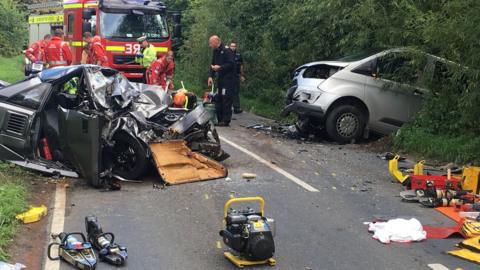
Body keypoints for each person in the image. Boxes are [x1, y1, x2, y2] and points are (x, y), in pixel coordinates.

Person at [207, 35, 235, 127]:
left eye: (211, 43)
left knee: (226, 98)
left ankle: (226, 120)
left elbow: (231, 64)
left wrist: (220, 68)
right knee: (218, 98)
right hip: (220, 78)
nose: (210, 45)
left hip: (228, 79)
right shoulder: (215, 51)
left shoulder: (227, 51)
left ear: (216, 41)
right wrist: (210, 76)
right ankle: (219, 119)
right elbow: (213, 64)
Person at [229, 41, 245, 114]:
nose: (233, 47)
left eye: (234, 46)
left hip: (236, 75)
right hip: (228, 76)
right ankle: (228, 107)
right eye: (232, 46)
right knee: (228, 91)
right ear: (229, 47)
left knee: (236, 91)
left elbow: (241, 66)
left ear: (236, 47)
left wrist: (242, 75)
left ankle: (236, 107)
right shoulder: (227, 54)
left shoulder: (238, 55)